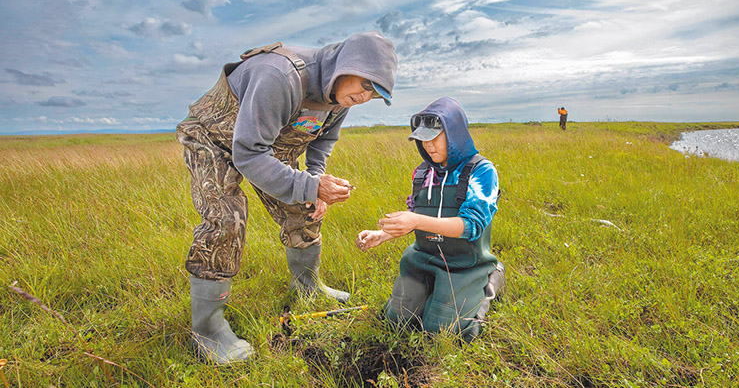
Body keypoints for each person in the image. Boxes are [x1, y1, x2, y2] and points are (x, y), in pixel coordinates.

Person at [176, 31, 398, 364]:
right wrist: (312, 186)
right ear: (345, 65)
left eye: (375, 94)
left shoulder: (340, 97)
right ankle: (207, 331)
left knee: (305, 208)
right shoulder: (280, 77)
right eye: (365, 85)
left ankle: (307, 286)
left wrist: (315, 180)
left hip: (265, 147)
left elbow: (322, 141)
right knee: (226, 220)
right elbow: (248, 154)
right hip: (214, 139)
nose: (365, 97)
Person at [356, 97, 505, 341]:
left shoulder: (482, 171)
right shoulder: (422, 172)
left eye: (435, 138)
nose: (428, 146)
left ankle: (492, 279)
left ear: (454, 133)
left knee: (442, 331)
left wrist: (415, 221)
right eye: (423, 140)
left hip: (464, 264)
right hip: (423, 260)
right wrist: (382, 235)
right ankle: (434, 292)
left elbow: (471, 226)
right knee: (397, 320)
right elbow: (417, 215)